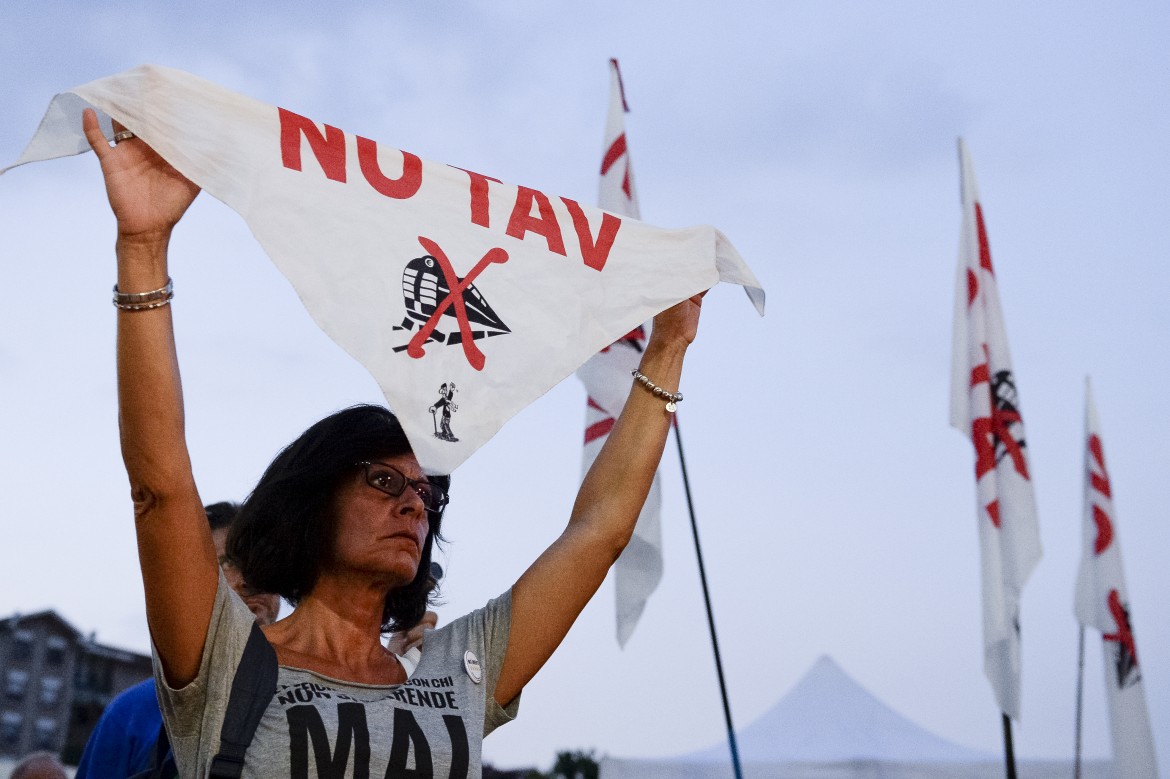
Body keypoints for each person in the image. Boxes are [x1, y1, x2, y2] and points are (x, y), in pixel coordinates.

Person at [81, 109, 703, 776]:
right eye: (383, 481)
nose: (414, 505)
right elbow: (160, 486)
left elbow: (599, 531)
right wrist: (141, 247)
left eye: (426, 491)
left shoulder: (461, 669)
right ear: (312, 500)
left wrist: (668, 346)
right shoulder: (223, 659)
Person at [74, 502, 281, 778]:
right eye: (229, 563)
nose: (250, 579)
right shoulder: (133, 714)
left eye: (264, 564)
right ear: (185, 582)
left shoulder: (313, 705)